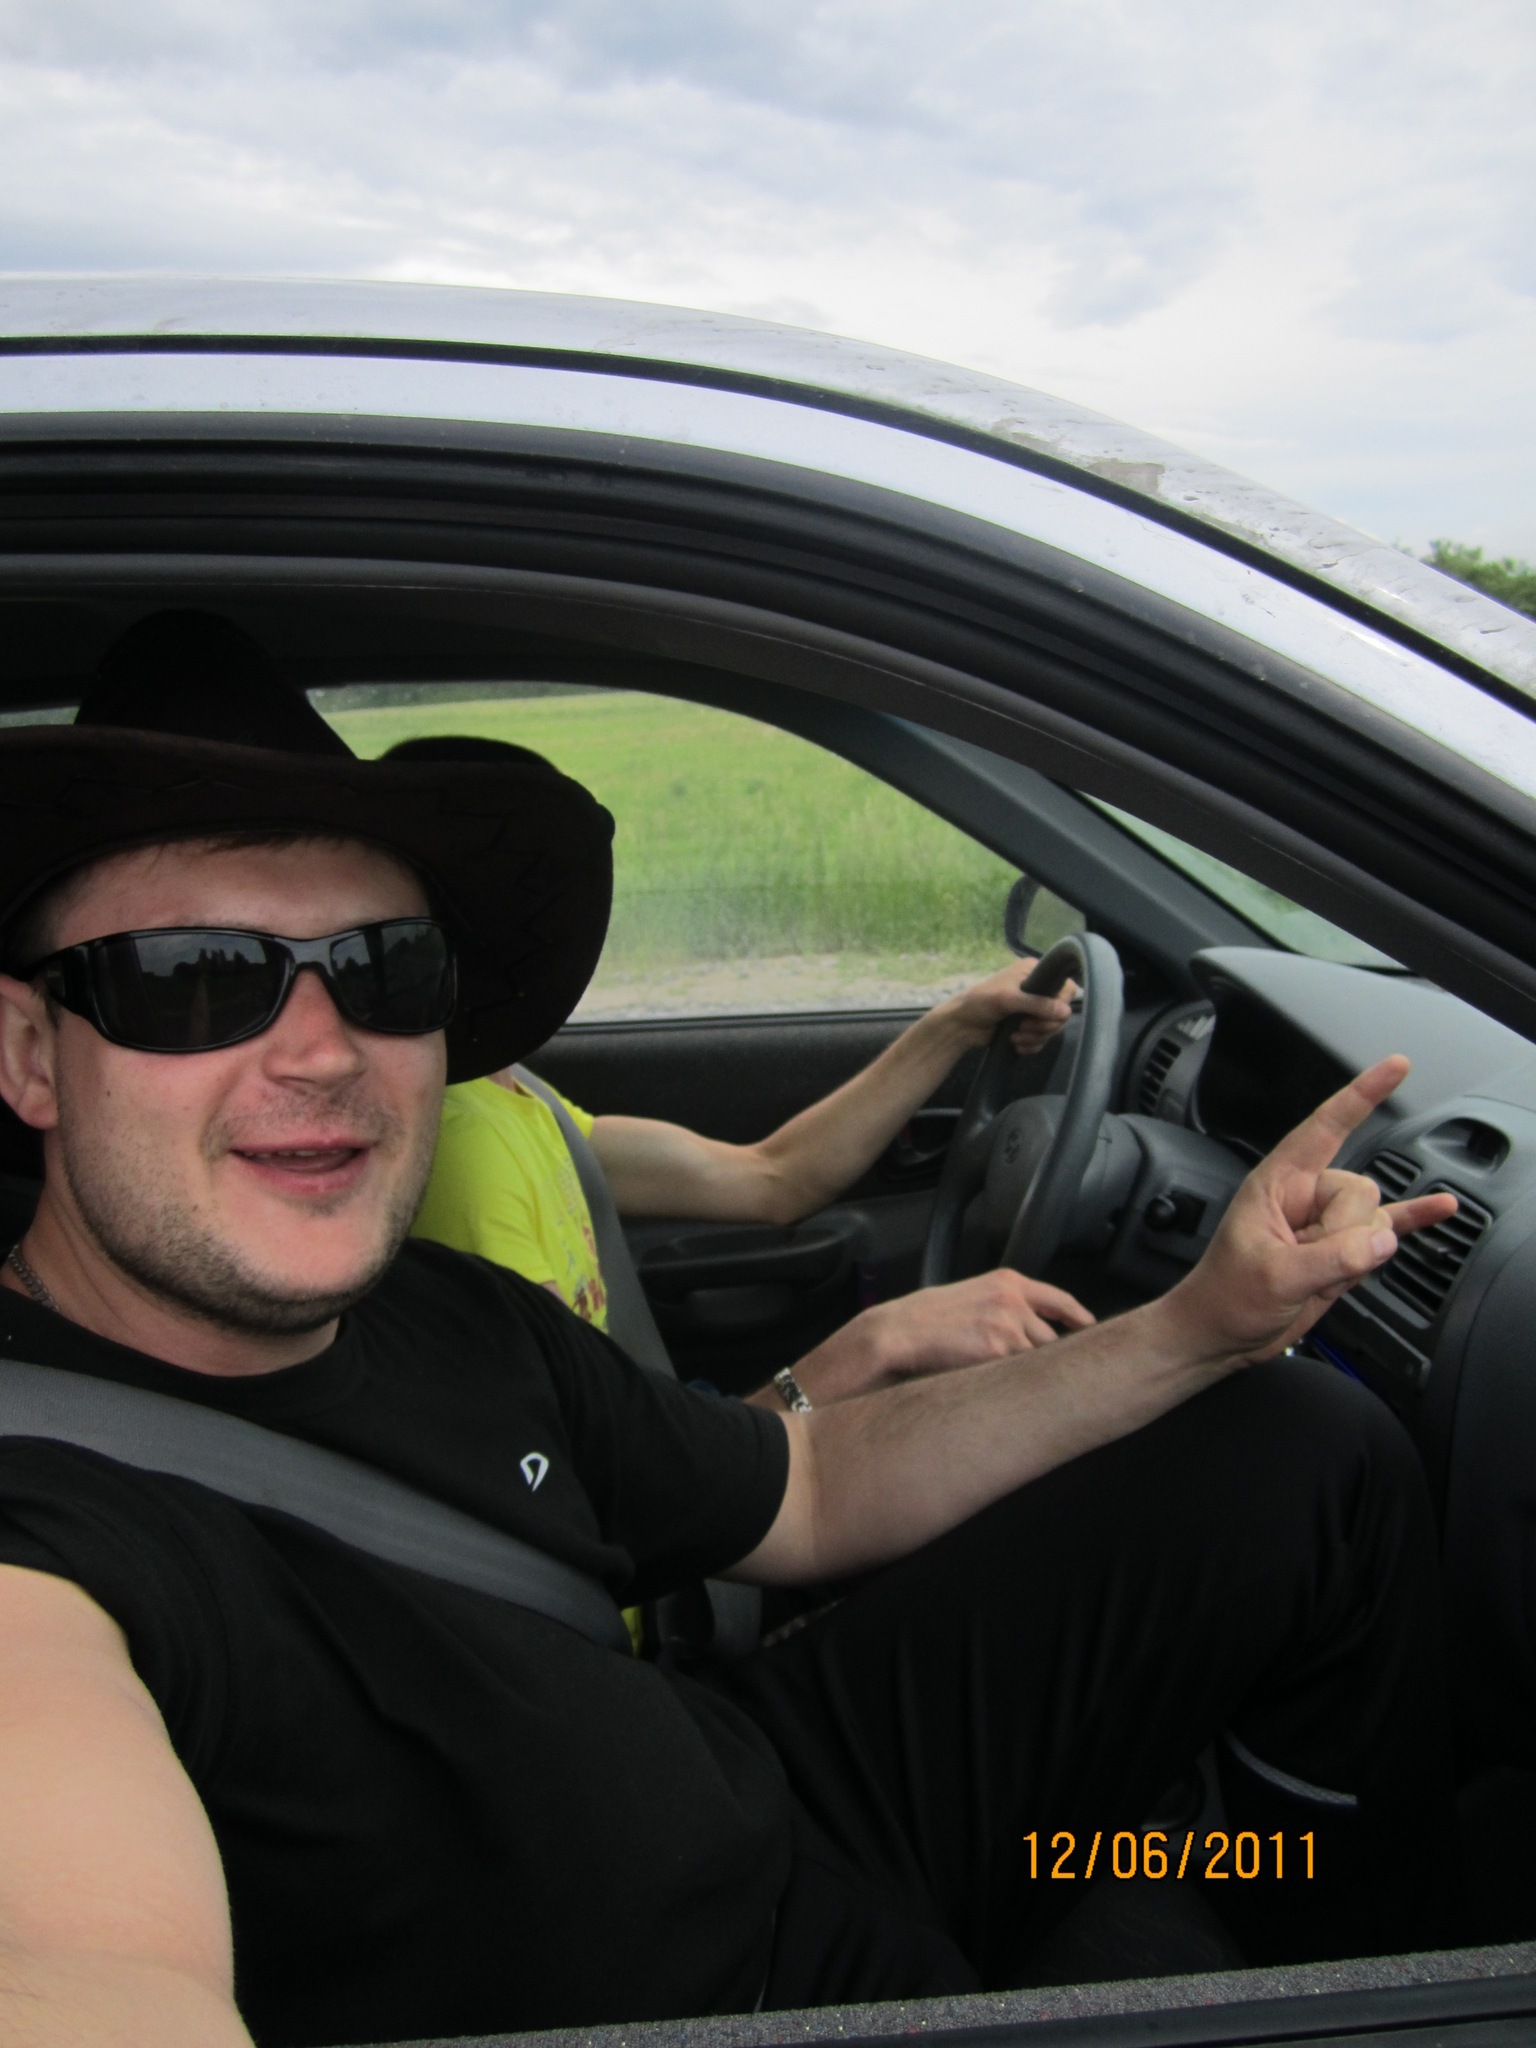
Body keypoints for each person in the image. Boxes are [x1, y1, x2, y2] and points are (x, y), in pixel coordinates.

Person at [0, 614, 1460, 2048]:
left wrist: (1196, 1325)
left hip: (775, 1782)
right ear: (28, 1054)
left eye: (386, 970)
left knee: (1297, 1446)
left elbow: (808, 1485)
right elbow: (87, 1964)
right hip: (740, 1997)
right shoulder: (45, 1550)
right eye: (195, 979)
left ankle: (1368, 1944)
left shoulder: (451, 1310)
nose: (323, 1051)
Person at [389, 731, 1094, 1405]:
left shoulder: (514, 1095)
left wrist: (955, 1026)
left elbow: (771, 1178)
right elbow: (580, 1469)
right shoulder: (466, 1151)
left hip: (661, 1423)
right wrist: (878, 1344)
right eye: (548, 888)